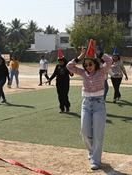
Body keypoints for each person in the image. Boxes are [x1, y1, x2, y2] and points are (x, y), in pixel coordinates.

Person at [66, 39, 112, 170]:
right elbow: (69, 66)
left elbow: (109, 61)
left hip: (99, 105)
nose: (88, 66)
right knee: (85, 133)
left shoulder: (101, 72)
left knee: (98, 134)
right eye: (85, 64)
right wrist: (79, 57)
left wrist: (99, 53)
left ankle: (96, 160)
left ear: (96, 63)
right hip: (86, 104)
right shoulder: (83, 73)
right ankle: (91, 151)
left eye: (90, 64)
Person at [45, 49, 73, 113]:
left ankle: (67, 107)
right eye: (59, 62)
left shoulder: (67, 66)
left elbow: (71, 74)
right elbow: (55, 74)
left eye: (61, 62)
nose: (60, 63)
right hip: (59, 83)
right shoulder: (57, 66)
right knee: (60, 95)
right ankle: (62, 108)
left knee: (64, 95)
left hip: (65, 83)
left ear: (64, 61)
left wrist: (71, 72)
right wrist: (49, 79)